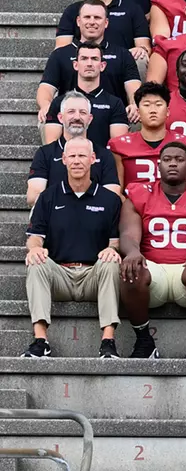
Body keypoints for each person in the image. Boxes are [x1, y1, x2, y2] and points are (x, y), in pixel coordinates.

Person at [20, 137, 125, 358]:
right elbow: (34, 238)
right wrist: (36, 248)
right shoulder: (48, 197)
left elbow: (116, 242)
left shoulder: (110, 200)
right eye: (73, 156)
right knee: (36, 262)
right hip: (60, 275)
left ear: (93, 159)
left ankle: (108, 342)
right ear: (64, 160)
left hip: (93, 275)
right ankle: (41, 341)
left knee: (110, 262)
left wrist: (112, 250)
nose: (77, 161)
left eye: (82, 156)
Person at [116, 141, 186, 358]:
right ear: (158, 165)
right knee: (131, 268)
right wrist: (133, 252)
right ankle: (144, 340)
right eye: (167, 159)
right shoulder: (139, 192)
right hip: (153, 270)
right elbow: (128, 235)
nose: (173, 164)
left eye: (179, 159)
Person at [42, 46, 128, 149]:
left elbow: (117, 149)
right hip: (67, 162)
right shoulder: (59, 103)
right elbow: (52, 148)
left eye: (94, 59)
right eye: (84, 58)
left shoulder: (115, 104)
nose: (89, 64)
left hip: (101, 162)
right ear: (75, 65)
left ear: (102, 66)